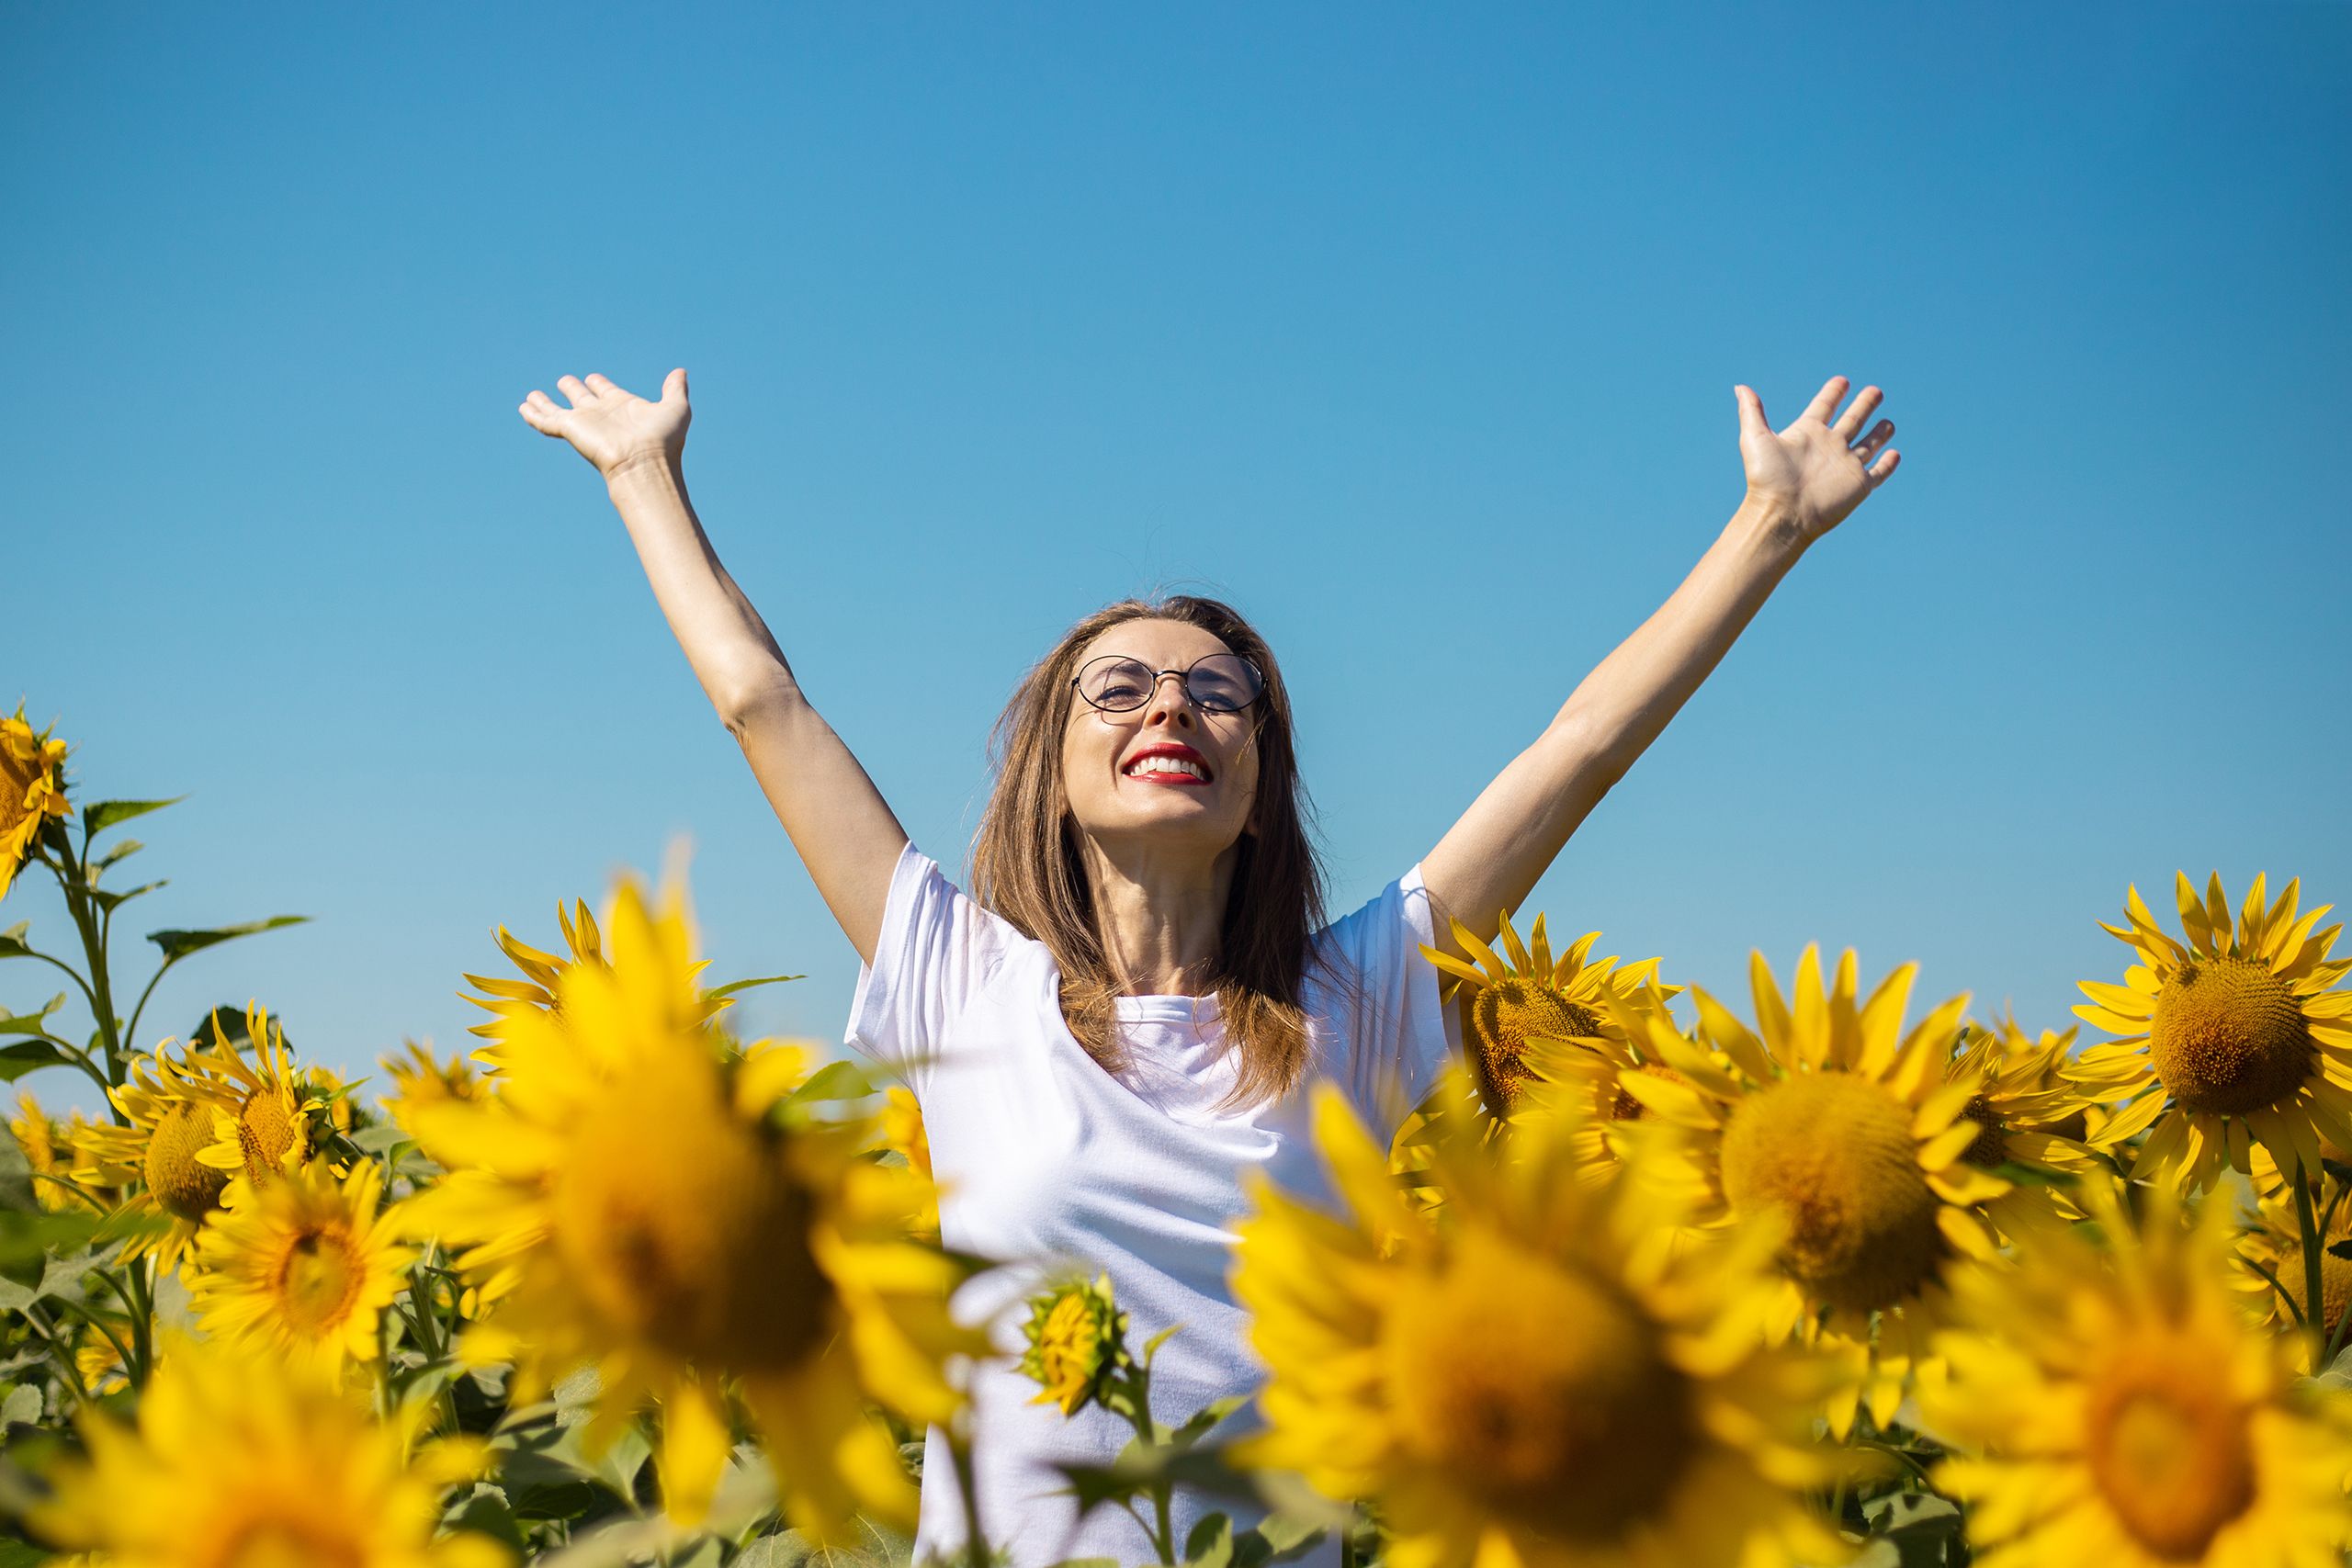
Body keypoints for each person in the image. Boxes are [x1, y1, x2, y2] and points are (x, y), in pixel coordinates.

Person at [519, 367, 1900, 1562]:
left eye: (1216, 692)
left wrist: (1768, 529)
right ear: (1052, 778)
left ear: (1260, 784)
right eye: (1118, 687)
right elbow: (764, 702)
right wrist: (644, 476)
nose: (1170, 701)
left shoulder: (1353, 1006)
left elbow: (1579, 749)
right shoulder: (957, 976)